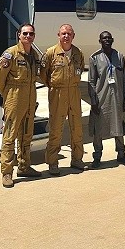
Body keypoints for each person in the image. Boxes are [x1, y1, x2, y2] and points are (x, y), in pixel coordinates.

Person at [0, 23, 41, 188]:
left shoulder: (34, 55)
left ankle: (24, 166)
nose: (28, 36)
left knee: (27, 134)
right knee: (10, 135)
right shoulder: (10, 54)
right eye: (25, 34)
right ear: (19, 35)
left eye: (31, 34)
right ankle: (7, 172)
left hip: (30, 96)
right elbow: (0, 79)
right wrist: (8, 96)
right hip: (14, 96)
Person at [40, 23, 87, 174]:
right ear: (58, 35)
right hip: (57, 94)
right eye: (63, 33)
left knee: (77, 128)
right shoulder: (51, 53)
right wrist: (54, 86)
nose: (66, 36)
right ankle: (52, 162)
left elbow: (80, 68)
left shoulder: (78, 53)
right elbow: (43, 74)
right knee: (56, 129)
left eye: (69, 34)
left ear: (73, 36)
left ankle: (77, 159)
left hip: (74, 92)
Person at [88, 31, 125, 167]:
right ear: (100, 41)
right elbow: (91, 81)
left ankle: (121, 154)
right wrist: (93, 102)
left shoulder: (119, 56)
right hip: (101, 98)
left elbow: (124, 79)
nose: (107, 40)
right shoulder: (94, 58)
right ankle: (97, 156)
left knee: (118, 126)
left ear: (112, 40)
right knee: (98, 129)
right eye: (104, 38)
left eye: (109, 38)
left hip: (117, 98)